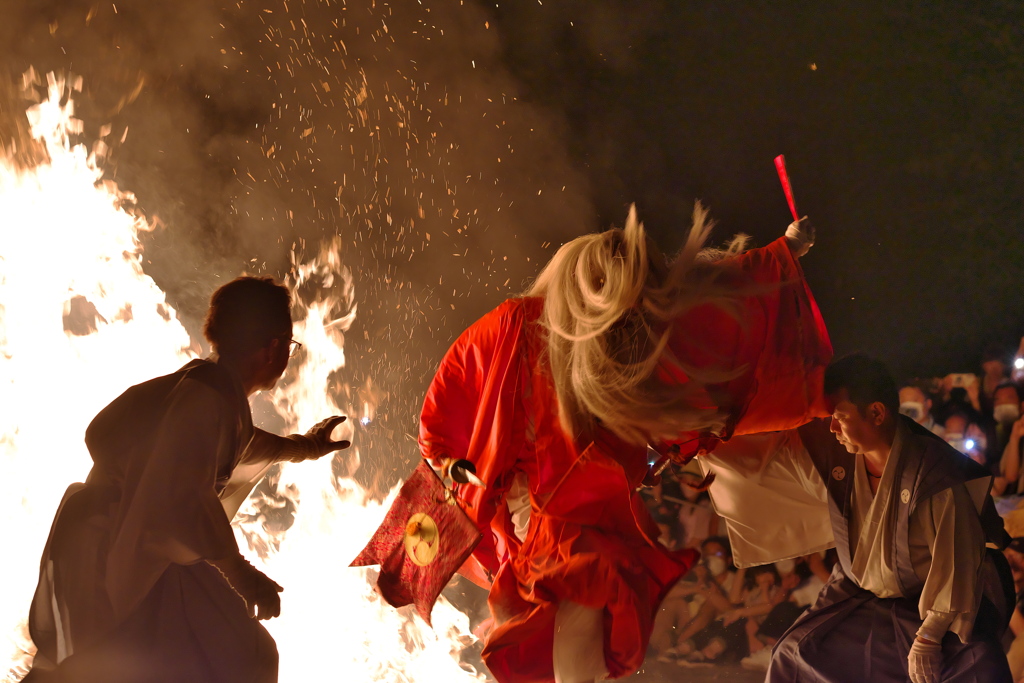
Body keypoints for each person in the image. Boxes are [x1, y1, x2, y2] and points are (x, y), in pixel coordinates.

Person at [416, 205, 832, 682]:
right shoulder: (519, 322)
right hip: (528, 504)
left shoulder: (635, 331)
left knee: (586, 591)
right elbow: (453, 385)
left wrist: (787, 250)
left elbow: (714, 293)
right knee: (560, 604)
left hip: (586, 511)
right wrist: (447, 460)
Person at [24, 277, 350, 683]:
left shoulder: (211, 388)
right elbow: (182, 498)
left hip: (129, 543)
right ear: (273, 347)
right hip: (122, 547)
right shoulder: (205, 399)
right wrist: (242, 575)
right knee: (243, 658)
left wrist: (305, 447)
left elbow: (241, 444)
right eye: (289, 345)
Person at [730, 354, 1012, 682]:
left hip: (927, 609)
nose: (832, 428)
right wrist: (703, 445)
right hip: (857, 599)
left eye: (840, 417)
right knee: (794, 654)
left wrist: (929, 637)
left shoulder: (937, 473)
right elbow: (771, 464)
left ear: (876, 413)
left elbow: (958, 564)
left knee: (978, 669)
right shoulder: (840, 458)